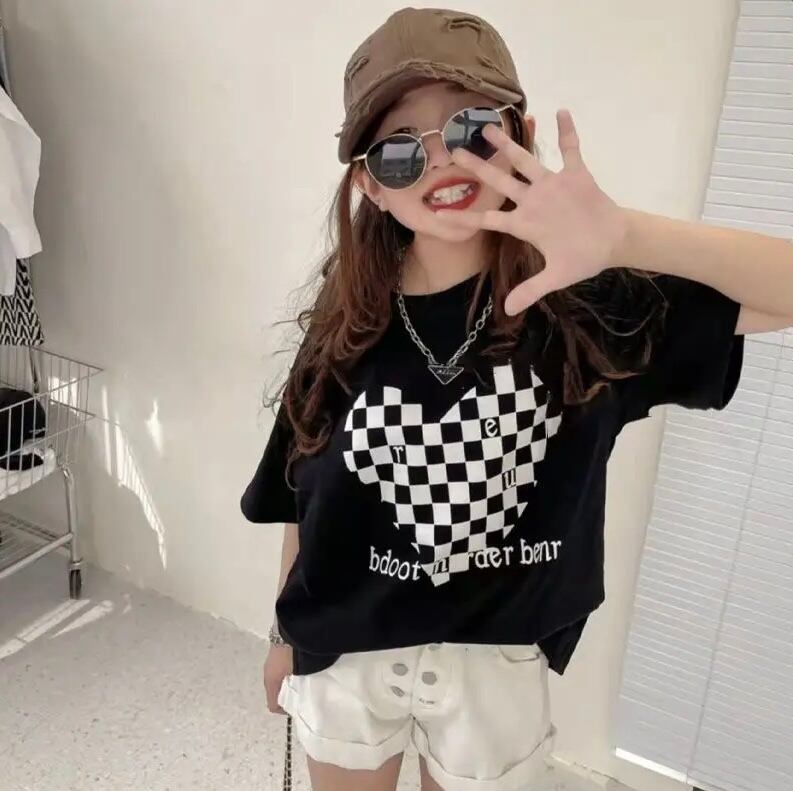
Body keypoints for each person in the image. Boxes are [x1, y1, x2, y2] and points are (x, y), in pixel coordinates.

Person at [241, 7, 793, 791]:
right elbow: (305, 495)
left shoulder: (586, 308)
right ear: (369, 184)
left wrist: (624, 236)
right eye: (398, 149)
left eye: (469, 127)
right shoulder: (342, 324)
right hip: (343, 656)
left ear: (519, 133)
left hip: (492, 667)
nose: (440, 159)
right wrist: (281, 633)